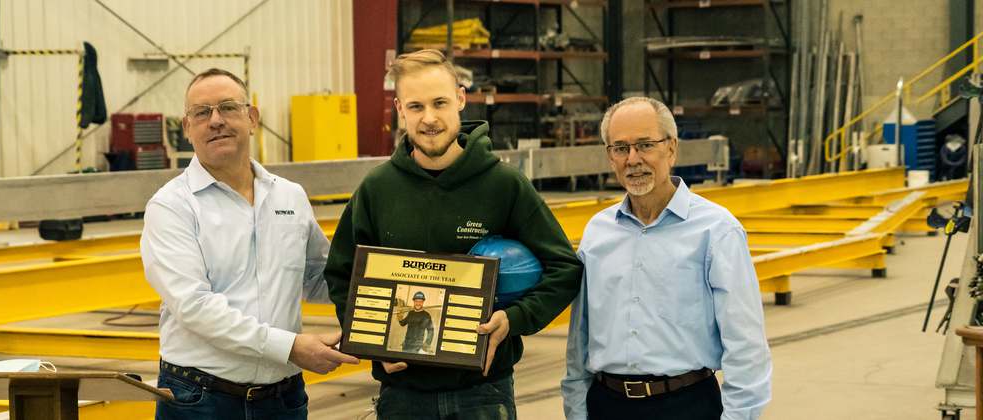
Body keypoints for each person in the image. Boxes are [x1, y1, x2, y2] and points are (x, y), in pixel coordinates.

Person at [324, 49, 583, 419]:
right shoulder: (376, 190)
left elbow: (564, 268)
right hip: (402, 395)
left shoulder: (503, 184)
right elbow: (341, 275)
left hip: (483, 392)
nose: (429, 118)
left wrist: (515, 319)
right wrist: (371, 340)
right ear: (399, 108)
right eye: (415, 107)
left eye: (439, 103)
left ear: (461, 98)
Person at [140, 68, 359, 420]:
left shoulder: (290, 196)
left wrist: (386, 304)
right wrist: (289, 347)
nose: (216, 121)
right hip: (199, 400)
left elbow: (322, 276)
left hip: (282, 399)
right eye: (202, 112)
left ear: (252, 117)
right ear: (187, 128)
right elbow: (194, 306)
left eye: (228, 108)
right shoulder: (171, 207)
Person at [561, 96, 772, 420]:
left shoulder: (717, 231)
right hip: (607, 405)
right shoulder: (597, 233)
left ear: (671, 148)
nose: (633, 159)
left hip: (687, 406)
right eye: (621, 148)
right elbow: (580, 339)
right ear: (610, 157)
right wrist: (577, 411)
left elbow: (746, 346)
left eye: (645, 145)